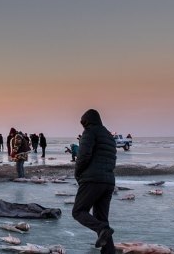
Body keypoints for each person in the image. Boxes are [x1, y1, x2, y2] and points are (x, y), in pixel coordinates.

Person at [72, 109, 117, 254]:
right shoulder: (109, 136)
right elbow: (112, 159)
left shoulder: (90, 132)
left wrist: (78, 173)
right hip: (108, 181)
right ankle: (109, 251)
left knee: (78, 211)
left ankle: (101, 229)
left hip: (92, 179)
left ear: (87, 122)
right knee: (102, 218)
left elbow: (83, 156)